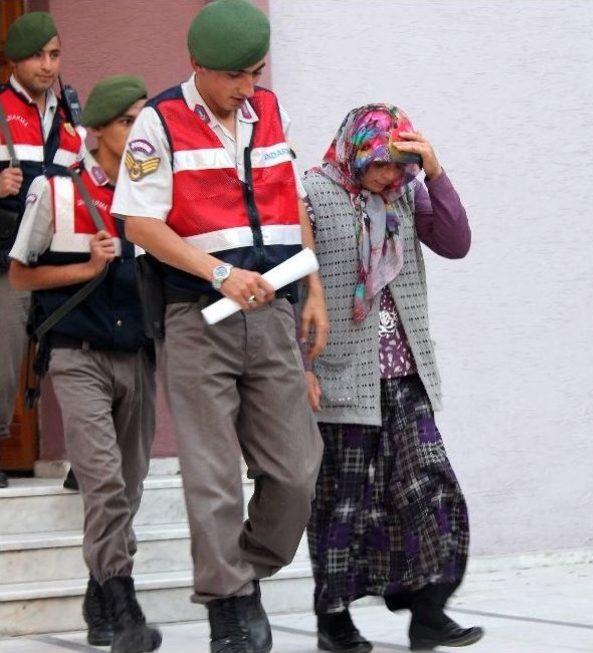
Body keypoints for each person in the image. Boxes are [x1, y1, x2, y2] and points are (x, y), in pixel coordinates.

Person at [111, 1, 326, 651]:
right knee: (211, 476)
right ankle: (229, 605)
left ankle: (242, 570)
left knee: (298, 470)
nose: (246, 88)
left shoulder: (270, 112)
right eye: (233, 76)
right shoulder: (159, 122)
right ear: (198, 66)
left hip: (273, 312)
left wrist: (312, 286)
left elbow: (290, 200)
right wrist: (216, 273)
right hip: (198, 317)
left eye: (254, 73)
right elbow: (140, 223)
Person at [303, 104, 484, 652]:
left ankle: (429, 611)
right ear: (357, 151)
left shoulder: (408, 193)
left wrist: (434, 170)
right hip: (341, 375)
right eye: (384, 164)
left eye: (400, 166)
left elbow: (455, 242)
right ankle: (333, 618)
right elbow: (293, 285)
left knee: (431, 487)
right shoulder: (310, 193)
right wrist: (299, 367)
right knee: (344, 502)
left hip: (405, 375)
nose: (391, 176)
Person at [8, 75, 161, 653]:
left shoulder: (155, 190)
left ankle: (97, 595)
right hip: (77, 356)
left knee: (133, 483)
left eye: (142, 121)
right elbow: (21, 273)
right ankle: (123, 606)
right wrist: (83, 269)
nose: (137, 132)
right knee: (102, 482)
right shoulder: (57, 190)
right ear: (98, 129)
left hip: (139, 357)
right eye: (127, 121)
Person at [0, 11, 84, 489]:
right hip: (10, 255)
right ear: (16, 59)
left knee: (74, 358)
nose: (48, 65)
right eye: (37, 55)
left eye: (54, 55)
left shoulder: (70, 114)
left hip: (63, 255)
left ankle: (83, 460)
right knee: (6, 355)